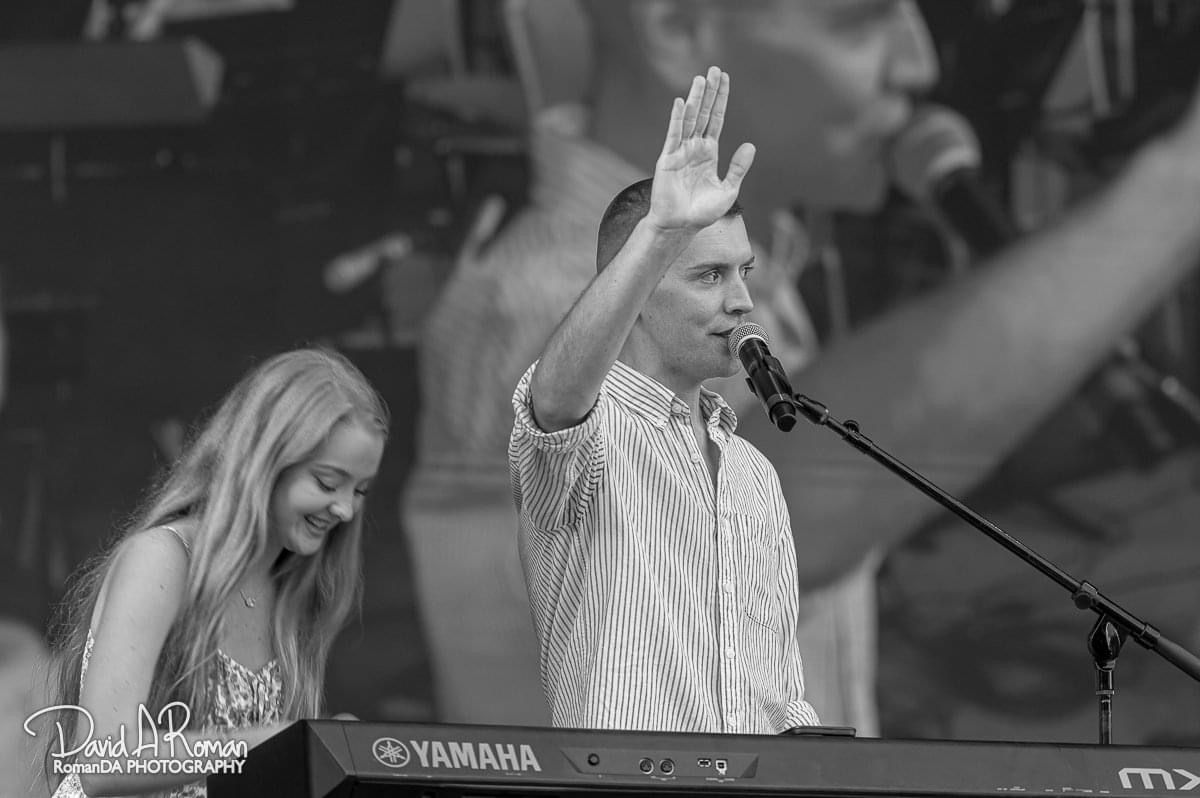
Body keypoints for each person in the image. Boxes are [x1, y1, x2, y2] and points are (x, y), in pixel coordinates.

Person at [403, 0, 1200, 734]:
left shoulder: (744, 265)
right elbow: (775, 517)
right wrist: (1177, 187)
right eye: (862, 21)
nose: (918, 63)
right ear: (675, 26)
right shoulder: (546, 300)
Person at [510, 67, 819, 732]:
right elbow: (554, 402)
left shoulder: (754, 475)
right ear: (639, 292)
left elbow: (779, 690)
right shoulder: (595, 429)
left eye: (744, 272)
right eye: (710, 276)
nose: (742, 300)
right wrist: (657, 235)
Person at [35, 347, 388, 797]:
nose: (344, 509)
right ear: (263, 460)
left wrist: (337, 753)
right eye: (327, 482)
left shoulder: (292, 583)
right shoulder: (163, 559)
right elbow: (102, 761)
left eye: (360, 491)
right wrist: (279, 742)